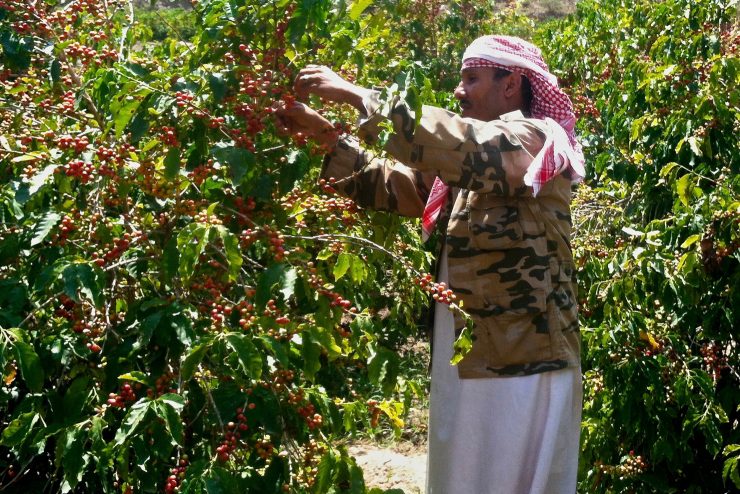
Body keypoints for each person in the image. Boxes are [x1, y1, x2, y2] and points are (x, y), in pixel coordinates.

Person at [276, 35, 585, 494]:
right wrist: (324, 135)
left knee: (512, 474)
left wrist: (360, 95)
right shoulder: (472, 159)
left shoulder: (535, 139)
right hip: (471, 347)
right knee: (466, 469)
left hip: (525, 352)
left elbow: (461, 145)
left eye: (472, 78)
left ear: (511, 84)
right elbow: (399, 188)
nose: (459, 91)